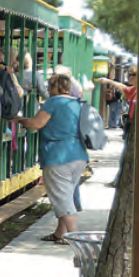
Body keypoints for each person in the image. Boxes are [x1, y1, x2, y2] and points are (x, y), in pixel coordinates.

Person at [15, 72, 88, 243]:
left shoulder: (53, 102)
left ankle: (76, 238)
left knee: (63, 198)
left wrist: (20, 120)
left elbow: (36, 124)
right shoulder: (77, 103)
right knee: (66, 195)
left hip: (58, 156)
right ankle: (60, 234)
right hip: (79, 155)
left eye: (49, 86)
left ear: (56, 87)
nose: (47, 90)